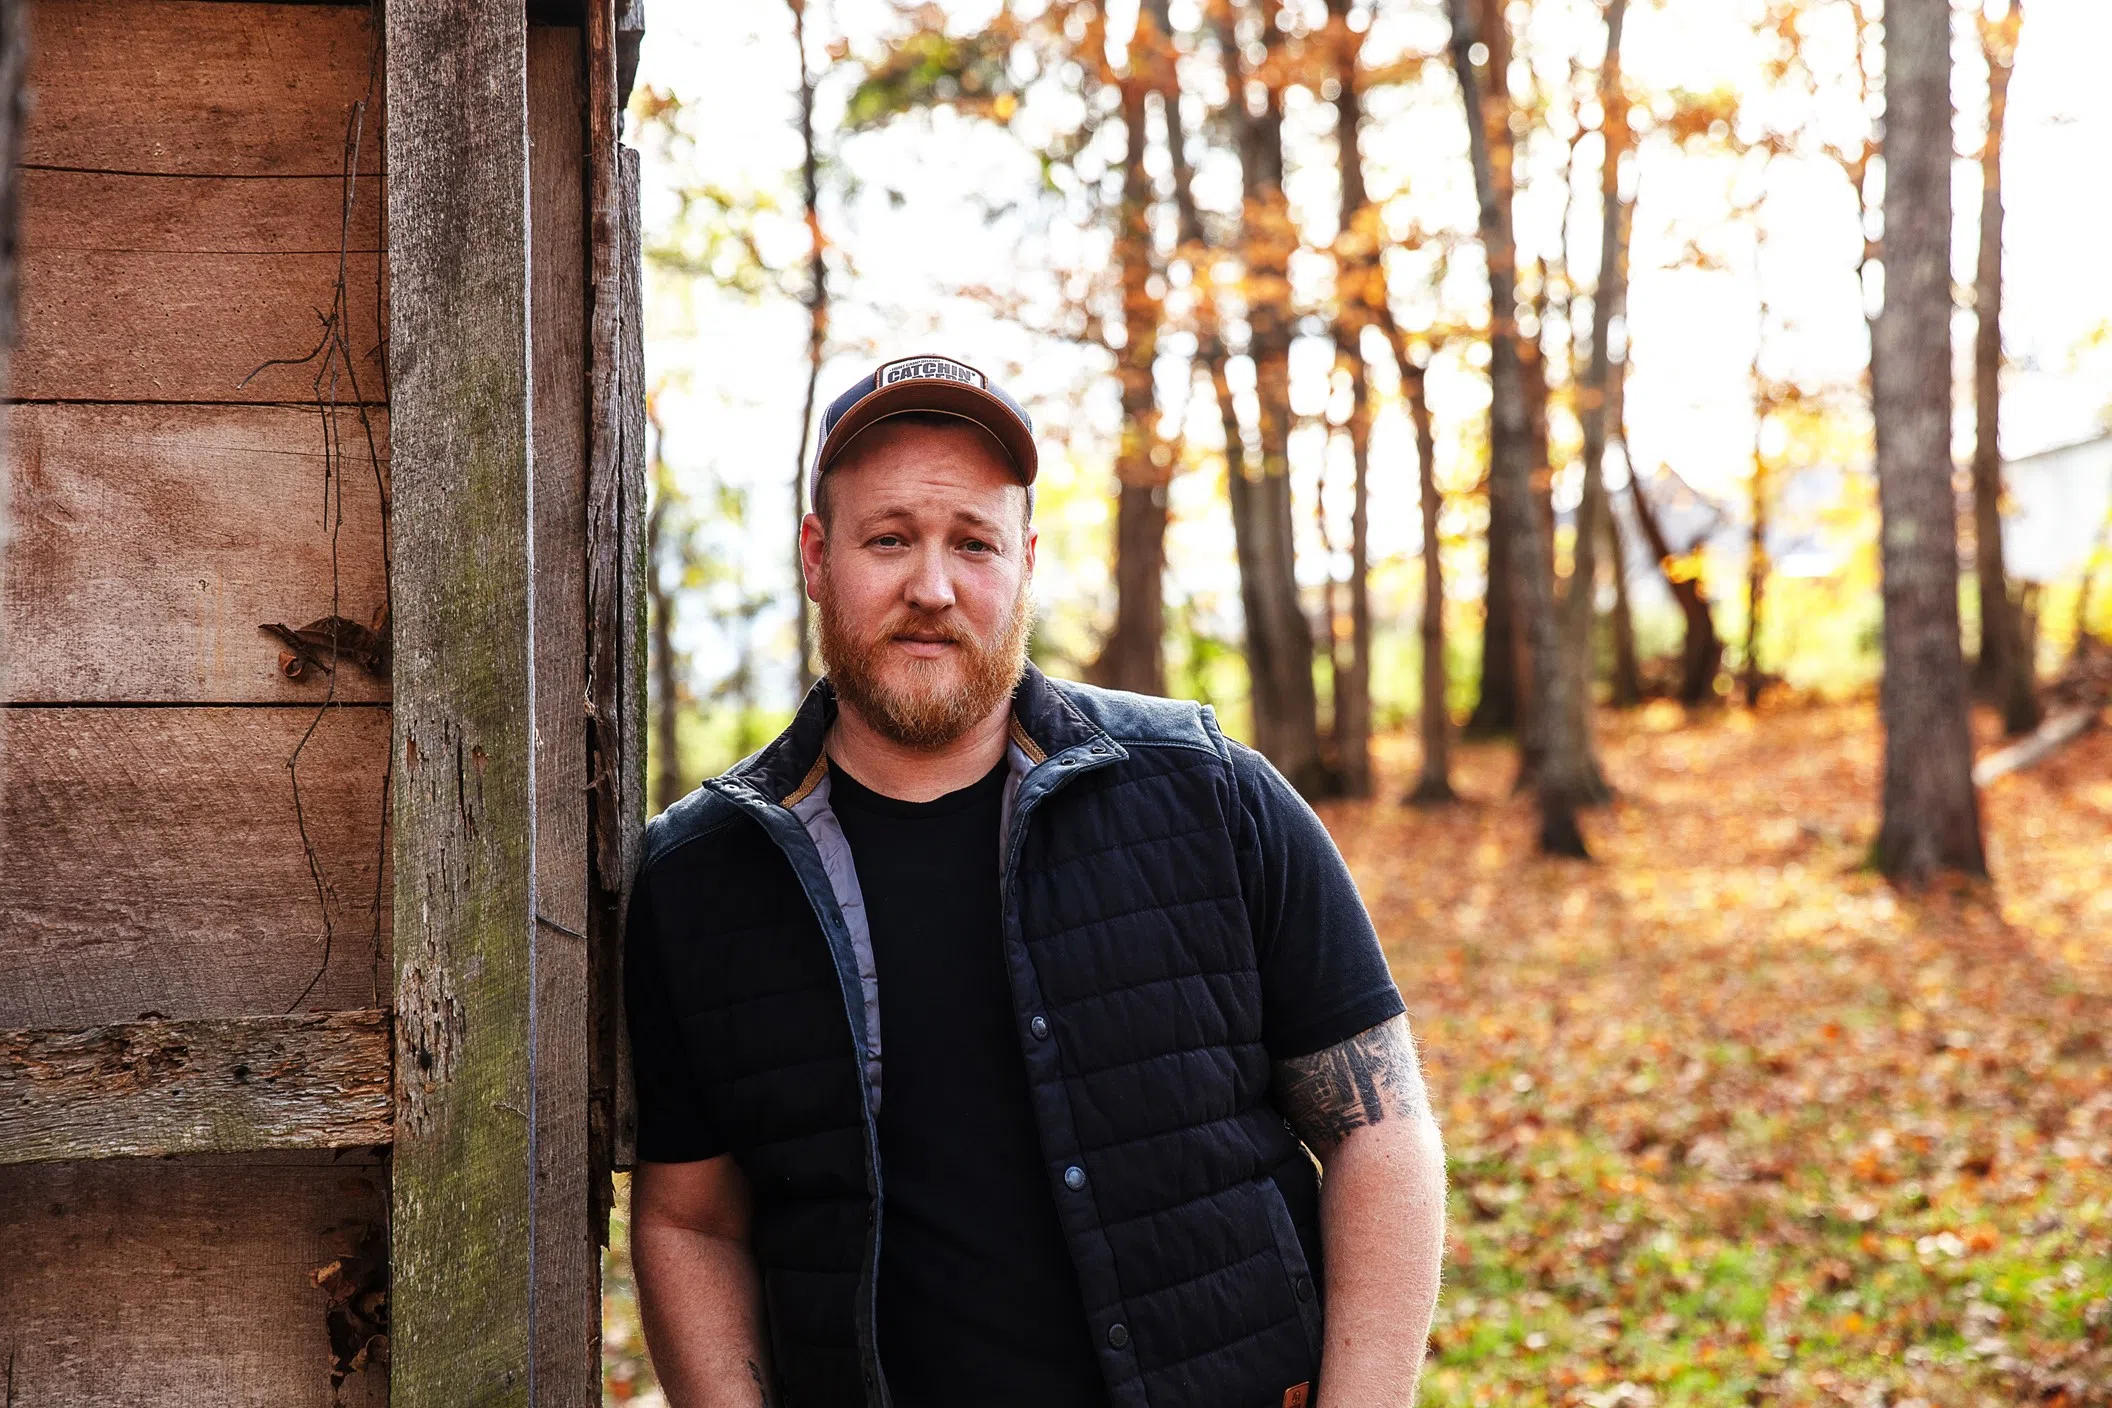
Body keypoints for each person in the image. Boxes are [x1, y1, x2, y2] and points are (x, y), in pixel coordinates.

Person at [625, 353, 1447, 1408]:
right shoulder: (704, 877)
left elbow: (1377, 1123)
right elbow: (692, 1218)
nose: (932, 587)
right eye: (889, 539)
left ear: (1026, 559)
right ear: (817, 557)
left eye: (973, 542)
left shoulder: (1210, 795)